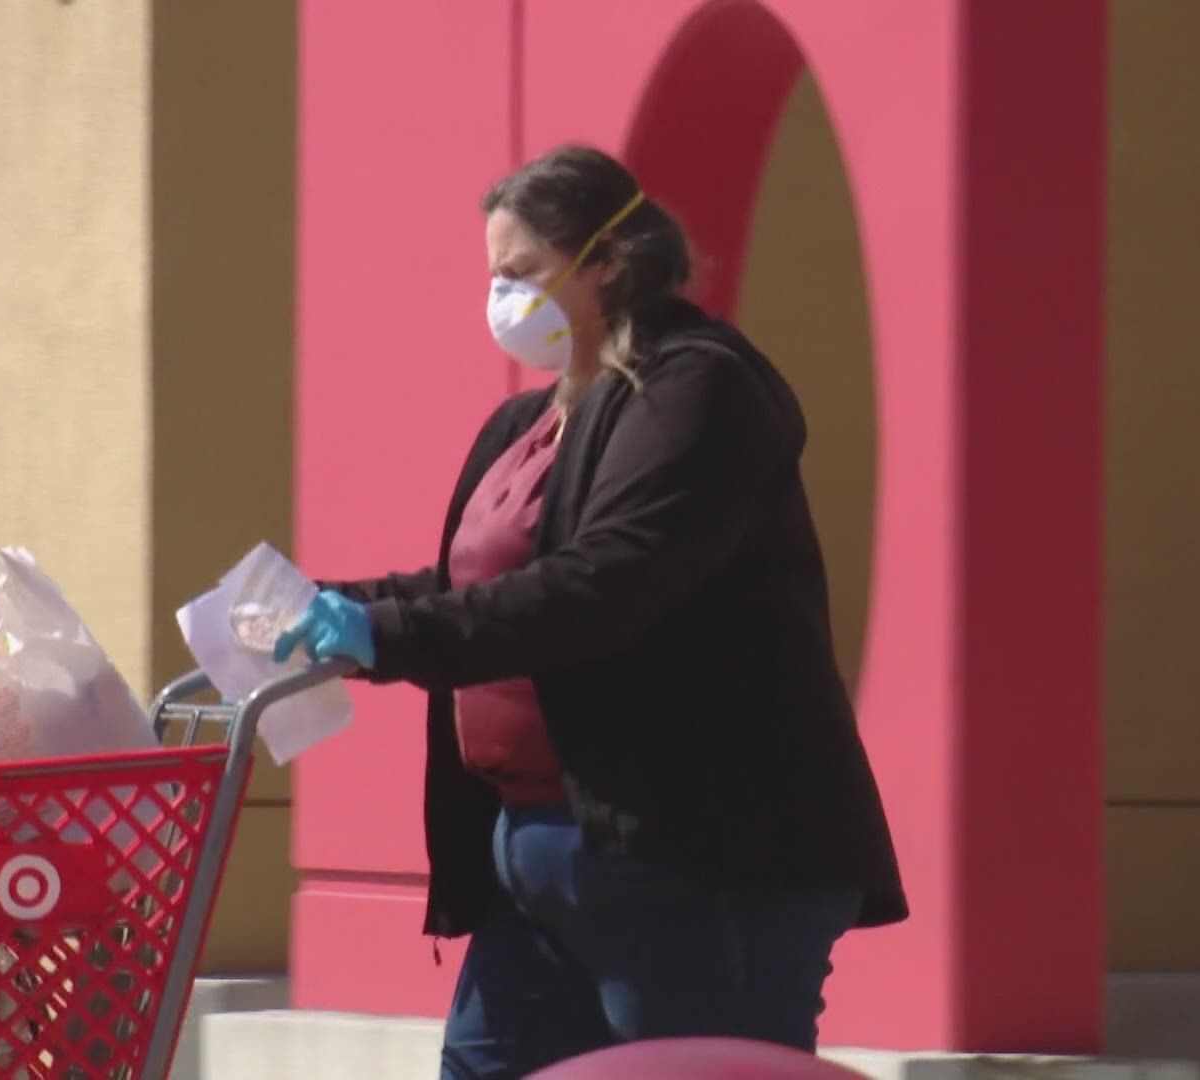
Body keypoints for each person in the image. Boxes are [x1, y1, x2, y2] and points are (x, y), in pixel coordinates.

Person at [275, 145, 907, 1078]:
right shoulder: (531, 422)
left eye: (520, 272)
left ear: (606, 263)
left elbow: (604, 587)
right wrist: (322, 608)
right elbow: (465, 583)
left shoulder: (697, 390)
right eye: (494, 274)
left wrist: (388, 639)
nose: (500, 297)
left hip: (697, 851)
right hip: (540, 853)